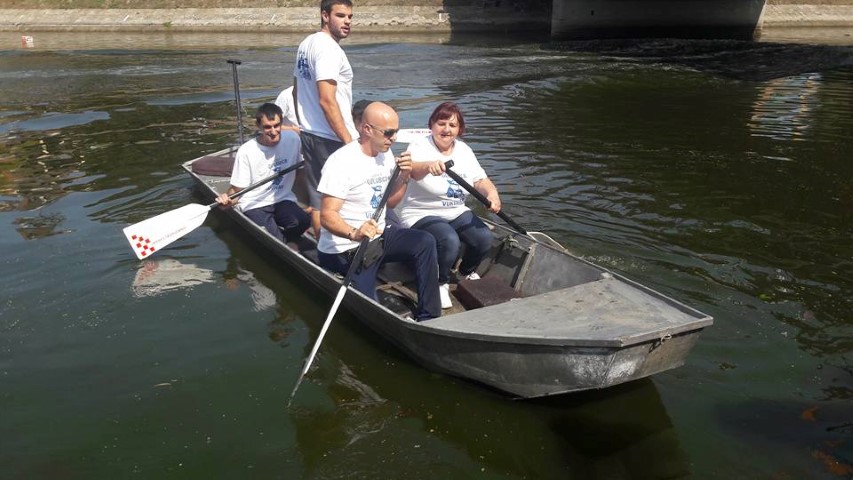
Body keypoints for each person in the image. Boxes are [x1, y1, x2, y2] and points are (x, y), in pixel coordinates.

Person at [317, 102, 440, 321]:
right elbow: (327, 215)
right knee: (371, 309)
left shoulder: (385, 154)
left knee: (425, 241)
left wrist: (404, 177)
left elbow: (390, 203)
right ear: (367, 129)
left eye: (396, 132)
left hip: (379, 237)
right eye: (388, 133)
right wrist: (355, 233)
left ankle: (430, 316)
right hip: (347, 248)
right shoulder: (341, 163)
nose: (393, 138)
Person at [396, 102, 501, 309]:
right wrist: (428, 166)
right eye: (441, 123)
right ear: (432, 125)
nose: (446, 129)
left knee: (484, 237)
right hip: (421, 212)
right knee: (449, 239)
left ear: (459, 129)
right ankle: (440, 282)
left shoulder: (464, 150)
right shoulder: (419, 146)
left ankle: (465, 272)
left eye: (452, 125)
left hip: (456, 210)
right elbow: (412, 170)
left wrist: (492, 194)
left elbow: (480, 180)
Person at [292, 0, 357, 242]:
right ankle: (334, 252)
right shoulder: (329, 49)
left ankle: (322, 251)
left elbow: (296, 89)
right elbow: (327, 100)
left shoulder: (306, 44)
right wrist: (348, 141)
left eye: (350, 16)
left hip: (310, 134)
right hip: (331, 138)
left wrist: (303, 124)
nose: (347, 21)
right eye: (340, 15)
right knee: (337, 202)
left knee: (319, 202)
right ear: (325, 16)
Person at [216, 103, 310, 244]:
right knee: (274, 240)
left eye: (276, 126)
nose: (273, 131)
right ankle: (284, 242)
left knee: (303, 221)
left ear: (281, 123)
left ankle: (288, 240)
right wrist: (226, 200)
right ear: (258, 126)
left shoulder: (293, 139)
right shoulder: (246, 151)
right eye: (267, 127)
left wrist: (307, 201)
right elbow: (237, 190)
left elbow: (299, 173)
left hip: (282, 199)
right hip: (254, 204)